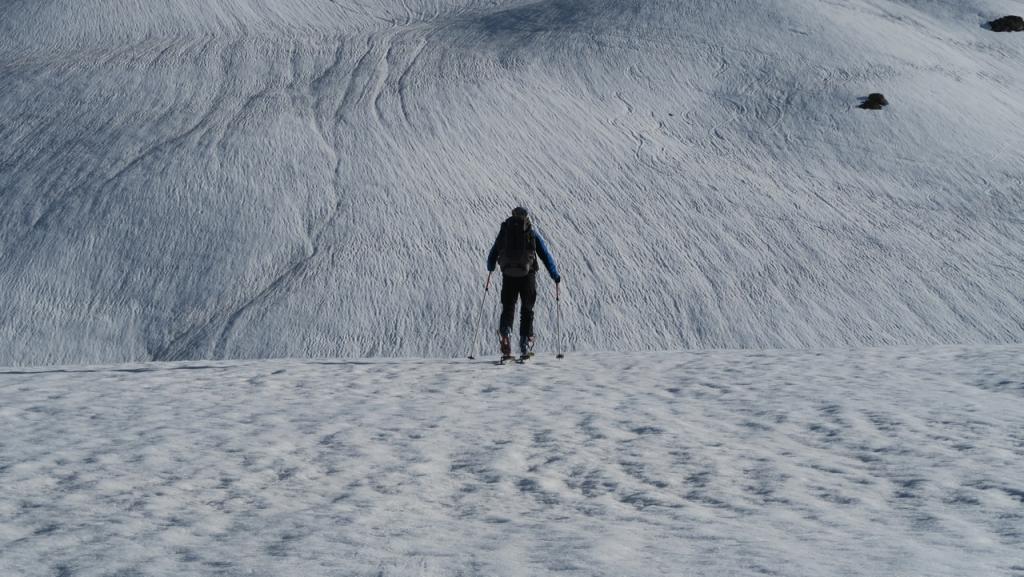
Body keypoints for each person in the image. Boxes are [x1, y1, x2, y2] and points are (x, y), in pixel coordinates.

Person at [486, 206, 561, 357]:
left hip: (508, 275)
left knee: (508, 307)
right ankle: (525, 343)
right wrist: (555, 275)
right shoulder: (531, 233)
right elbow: (545, 255)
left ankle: (506, 333)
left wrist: (491, 267)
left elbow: (494, 252)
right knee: (527, 309)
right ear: (526, 217)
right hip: (528, 276)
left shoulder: (505, 231)